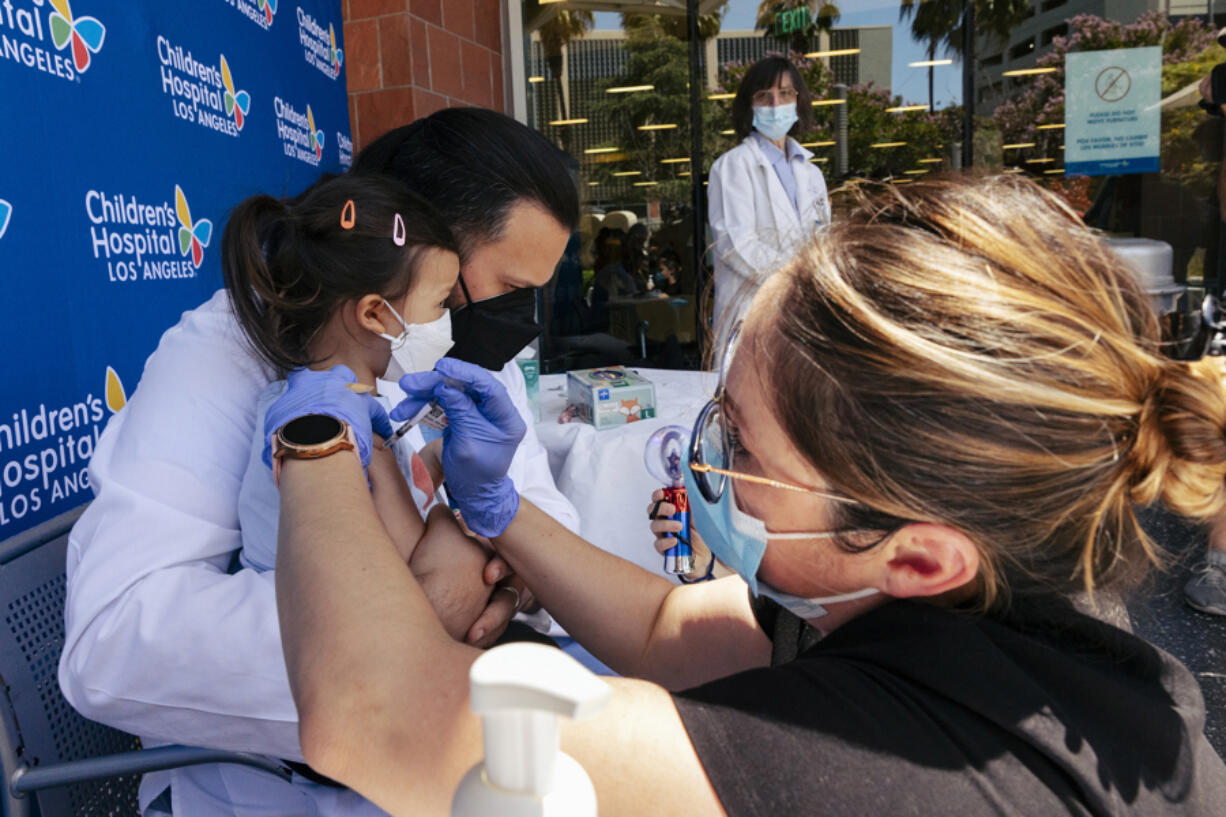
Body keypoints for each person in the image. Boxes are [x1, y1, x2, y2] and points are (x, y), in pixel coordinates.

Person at [270, 176, 1225, 816]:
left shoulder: (901, 764)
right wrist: (500, 512)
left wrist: (317, 428)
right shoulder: (994, 586)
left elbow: (377, 715)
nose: (703, 457)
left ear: (917, 554)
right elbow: (668, 629)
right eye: (720, 406)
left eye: (741, 446)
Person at [59, 108, 581, 817]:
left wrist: (502, 576)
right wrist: (395, 624)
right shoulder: (230, 352)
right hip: (273, 791)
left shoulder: (461, 351)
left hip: (452, 756)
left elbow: (543, 508)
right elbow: (115, 639)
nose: (521, 321)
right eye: (510, 290)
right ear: (417, 242)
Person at [708, 55, 831, 338]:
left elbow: (821, 238)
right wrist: (797, 278)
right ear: (749, 107)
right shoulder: (732, 166)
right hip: (753, 313)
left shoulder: (811, 174)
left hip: (805, 314)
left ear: (798, 101)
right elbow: (736, 245)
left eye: (785, 93)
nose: (776, 105)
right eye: (764, 96)